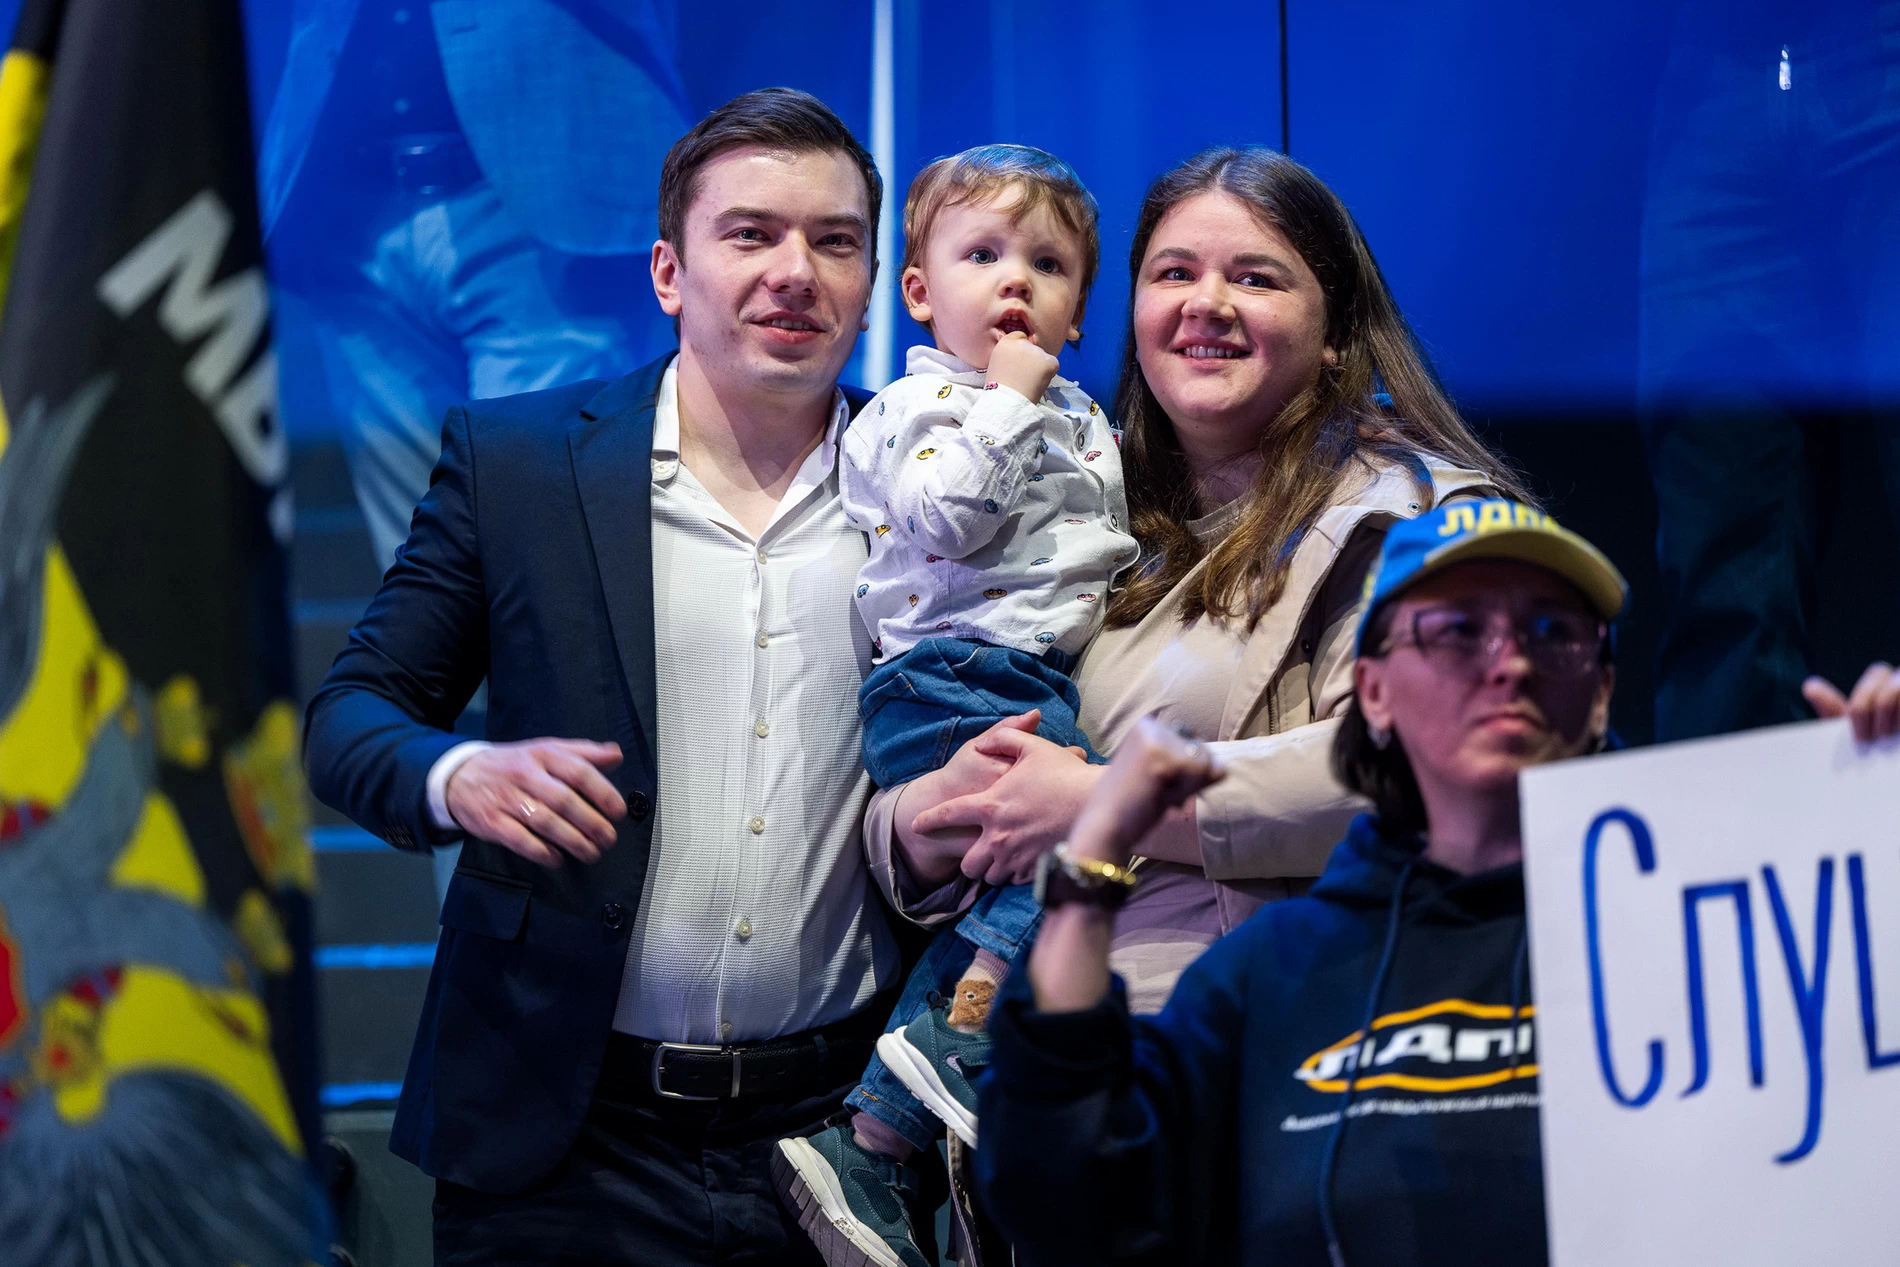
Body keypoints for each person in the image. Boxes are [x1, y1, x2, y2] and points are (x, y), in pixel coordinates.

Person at [804, 147, 1531, 1266]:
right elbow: (962, 778)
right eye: (1175, 272)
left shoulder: (1414, 512)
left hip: (1285, 1110)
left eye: (1256, 276)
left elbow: (1440, 776)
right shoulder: (1092, 518)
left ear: (1338, 329)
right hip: (1070, 1121)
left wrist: (1107, 807)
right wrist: (918, 822)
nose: (1207, 303)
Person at [974, 500, 1900, 1267]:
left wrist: (1869, 856)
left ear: (1601, 690)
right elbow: (1068, 1197)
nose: (1511, 660)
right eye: (1459, 631)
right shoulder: (1272, 974)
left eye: (1553, 630)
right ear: (1374, 690)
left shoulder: (1709, 929)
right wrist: (1091, 866)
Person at [304, 89, 904, 1266]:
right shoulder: (520, 464)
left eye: (834, 242)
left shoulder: (930, 492)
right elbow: (349, 715)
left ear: (872, 279)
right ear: (669, 273)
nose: (795, 271)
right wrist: (457, 775)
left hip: (839, 1143)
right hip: (564, 1138)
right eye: (751, 234)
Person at [774, 144, 1135, 1267]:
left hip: (1025, 676)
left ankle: (877, 1135)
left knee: (1037, 887)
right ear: (922, 292)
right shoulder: (921, 404)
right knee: (1094, 840)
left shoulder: (1078, 412)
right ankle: (938, 1060)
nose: (1016, 280)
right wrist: (1011, 400)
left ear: (1081, 310)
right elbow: (946, 518)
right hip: (952, 677)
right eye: (983, 255)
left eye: (1048, 265)